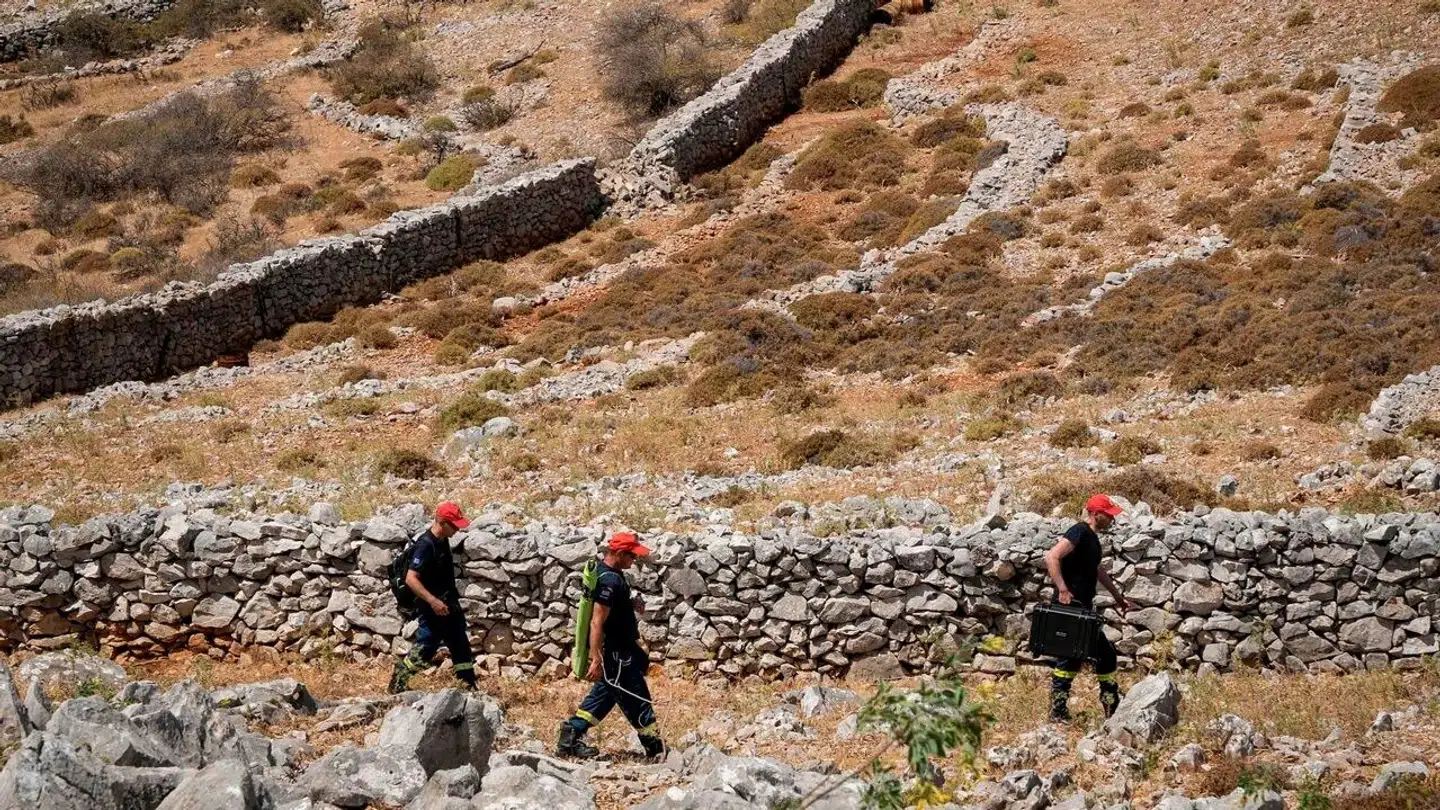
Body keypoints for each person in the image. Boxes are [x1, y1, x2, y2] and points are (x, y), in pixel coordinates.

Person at [556, 531, 664, 760]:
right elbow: (597, 621)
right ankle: (655, 747)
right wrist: (596, 659)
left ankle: (570, 736)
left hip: (622, 651)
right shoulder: (610, 581)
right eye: (632, 556)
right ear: (621, 553)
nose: (634, 561)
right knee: (638, 698)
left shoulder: (609, 574)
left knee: (606, 694)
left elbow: (613, 608)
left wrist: (630, 603)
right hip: (618, 653)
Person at [1042, 493, 1132, 723]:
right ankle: (1061, 711)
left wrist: (1118, 597)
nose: (1111, 519)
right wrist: (1063, 589)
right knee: (1077, 658)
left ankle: (1108, 706)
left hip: (1083, 608)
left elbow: (1097, 570)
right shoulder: (1079, 531)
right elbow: (1052, 557)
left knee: (1098, 656)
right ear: (1094, 514)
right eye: (1107, 515)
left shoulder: (1092, 538)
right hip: (1070, 607)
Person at [388, 502, 479, 694]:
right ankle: (398, 683)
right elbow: (411, 579)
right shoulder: (425, 546)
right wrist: (433, 601)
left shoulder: (442, 540)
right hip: (433, 609)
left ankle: (468, 687)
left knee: (460, 645)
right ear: (443, 522)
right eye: (454, 525)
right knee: (426, 648)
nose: (457, 530)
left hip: (448, 605)